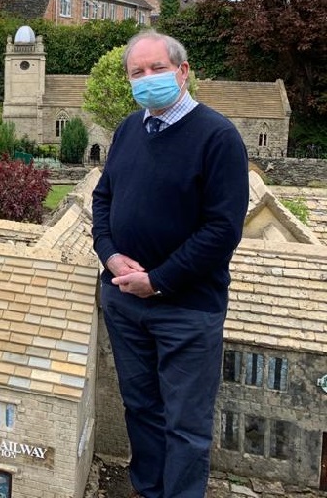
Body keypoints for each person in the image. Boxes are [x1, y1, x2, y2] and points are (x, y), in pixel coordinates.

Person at [91, 31, 249, 498]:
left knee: (186, 423)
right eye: (137, 73)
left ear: (182, 72)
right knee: (140, 407)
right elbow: (103, 200)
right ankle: (146, 488)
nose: (147, 80)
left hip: (187, 310)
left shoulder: (218, 137)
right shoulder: (127, 129)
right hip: (124, 303)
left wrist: (157, 281)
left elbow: (222, 231)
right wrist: (111, 255)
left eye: (156, 69)